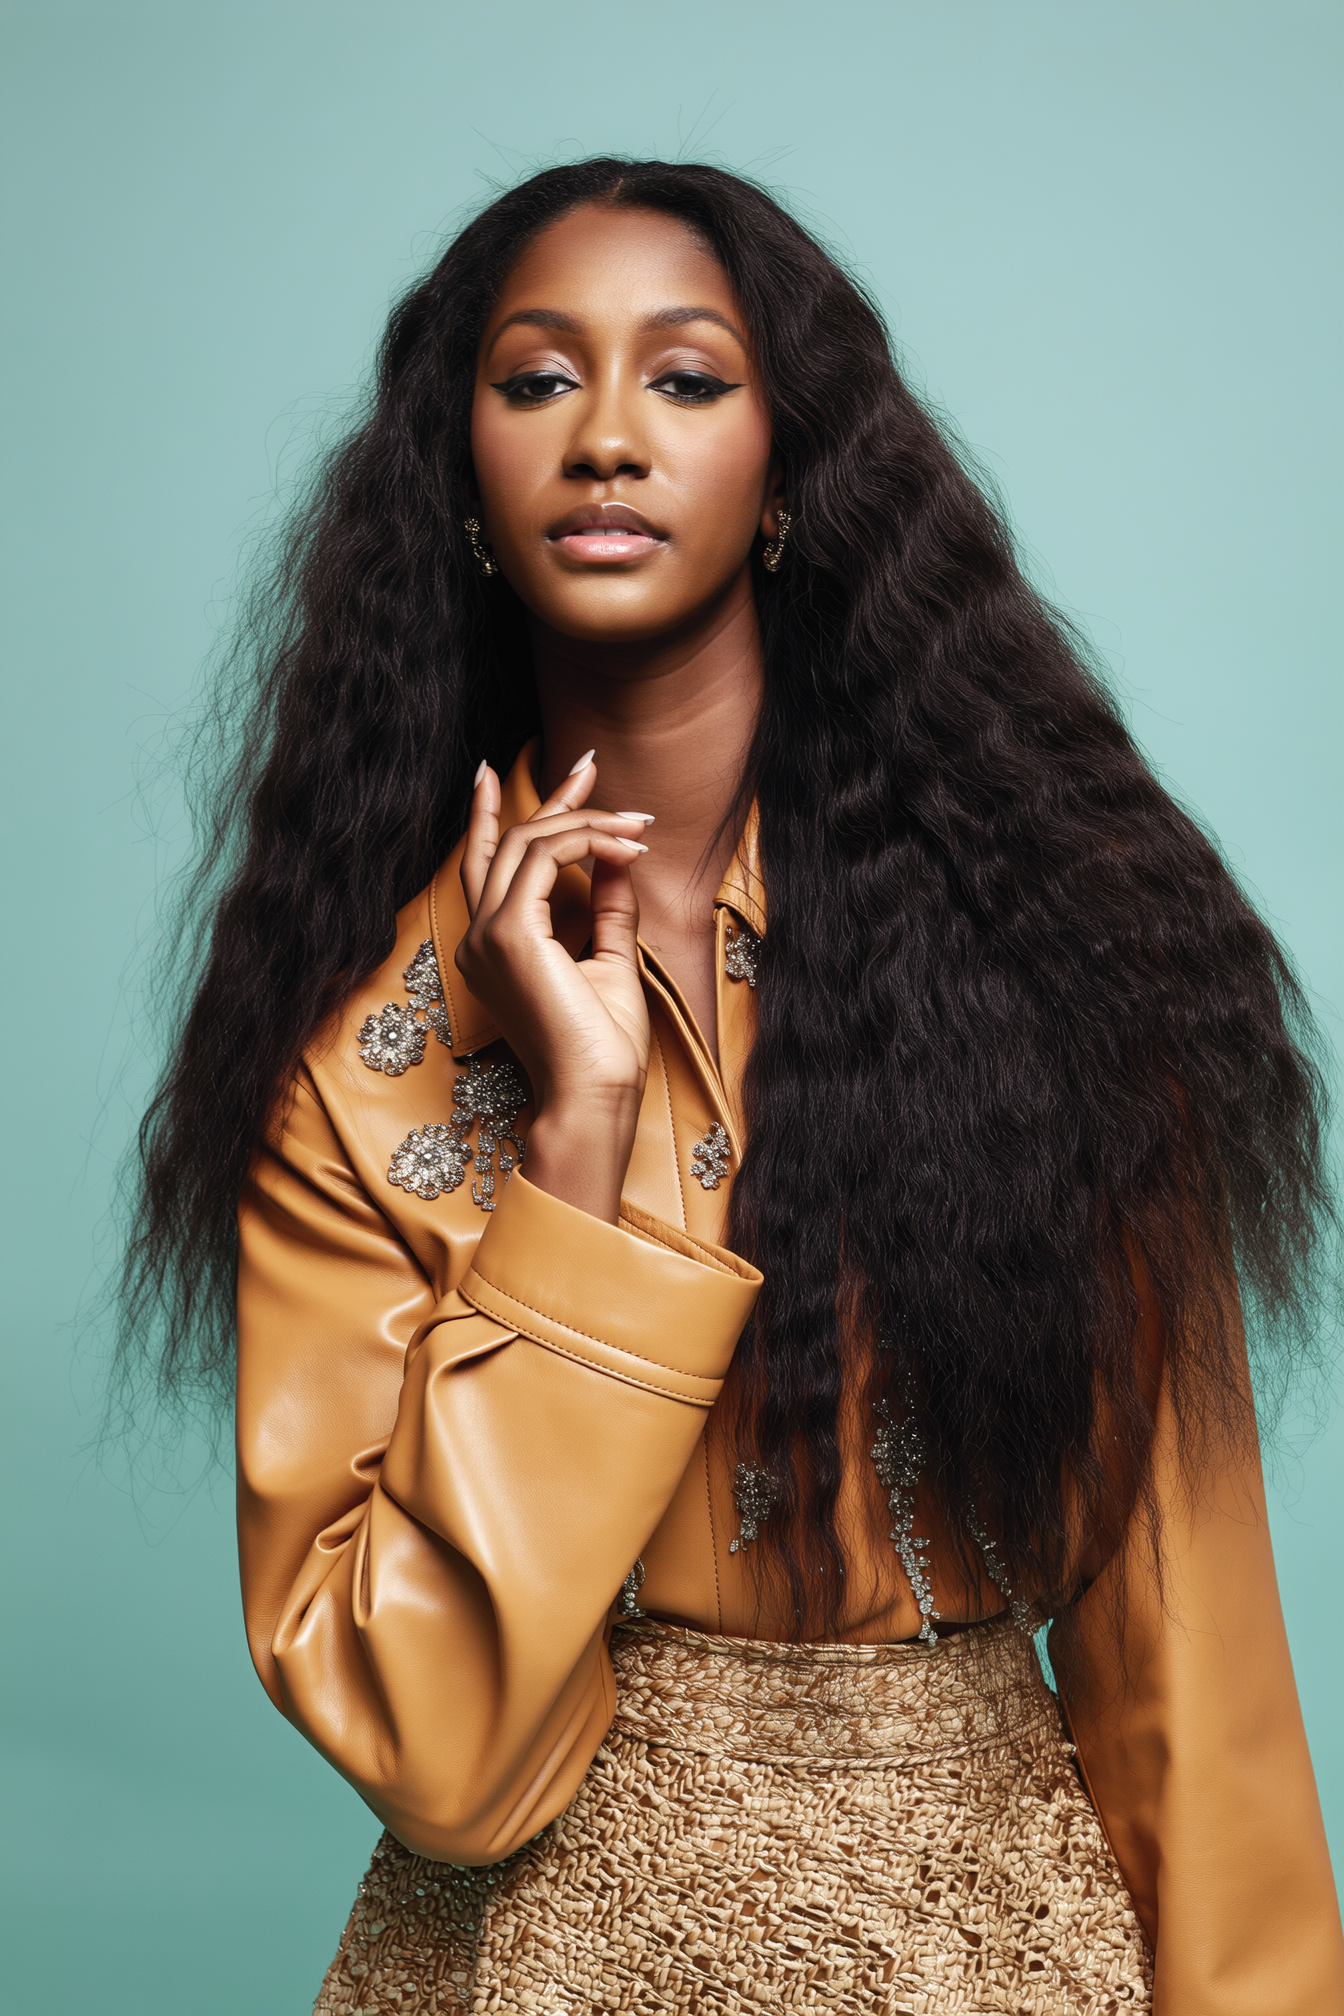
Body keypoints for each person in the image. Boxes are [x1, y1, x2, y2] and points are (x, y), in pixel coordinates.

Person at [123, 160, 1344, 2012]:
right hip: (524, 1957)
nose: (607, 436)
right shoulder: (358, 1067)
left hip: (990, 1952)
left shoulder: (1056, 965)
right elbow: (438, 1760)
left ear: (790, 472)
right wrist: (576, 1146)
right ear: (457, 485)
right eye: (538, 381)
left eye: (685, 380)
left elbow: (1189, 1664)